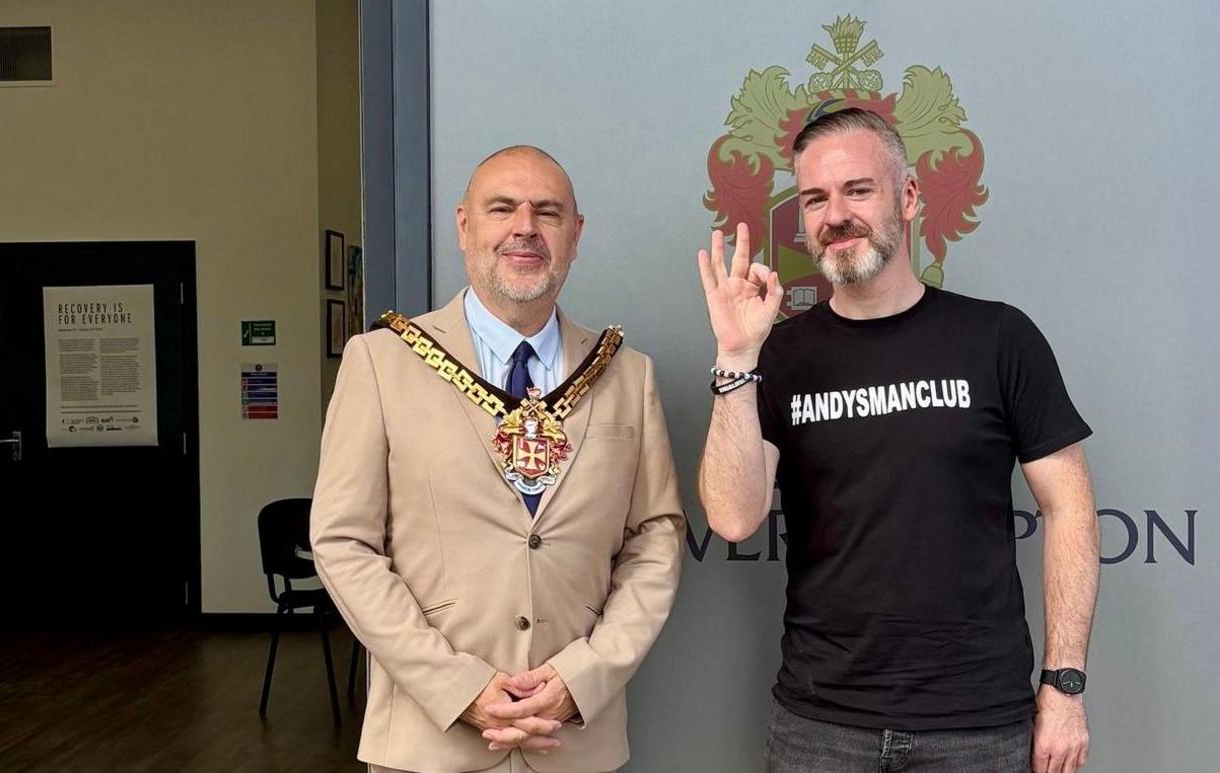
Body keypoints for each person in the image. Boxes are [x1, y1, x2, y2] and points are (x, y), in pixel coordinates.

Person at [696, 108, 1099, 773]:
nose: (836, 214)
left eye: (858, 190)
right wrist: (737, 354)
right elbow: (734, 516)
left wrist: (1064, 686)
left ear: (909, 196)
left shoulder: (1000, 339)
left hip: (979, 725)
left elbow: (1071, 506)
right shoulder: (782, 356)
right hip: (820, 725)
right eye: (815, 198)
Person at [312, 145, 684, 773]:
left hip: (575, 744)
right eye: (502, 208)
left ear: (575, 235)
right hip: (430, 746)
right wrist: (458, 688)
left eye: (548, 213)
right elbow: (344, 543)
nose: (525, 228)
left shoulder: (627, 375)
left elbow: (656, 539)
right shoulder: (381, 362)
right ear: (464, 226)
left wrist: (582, 679)